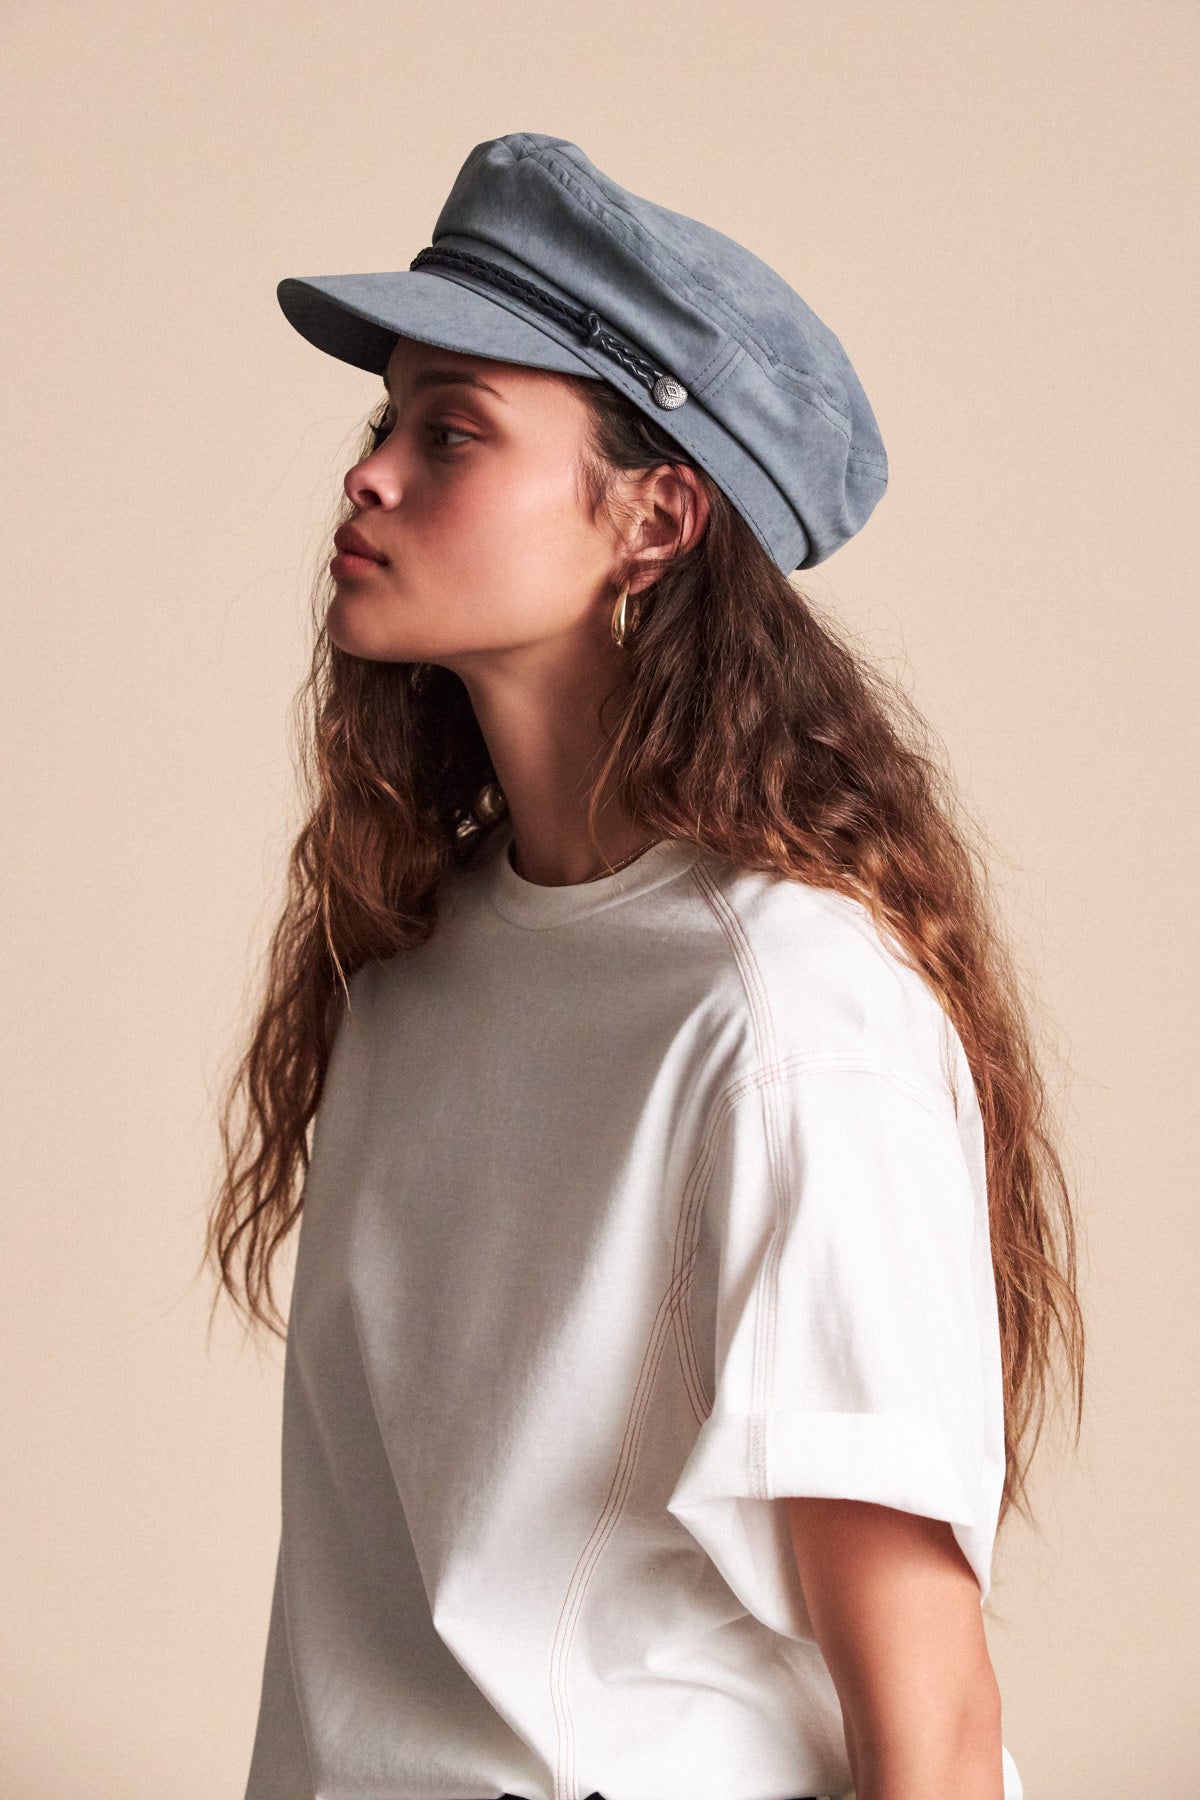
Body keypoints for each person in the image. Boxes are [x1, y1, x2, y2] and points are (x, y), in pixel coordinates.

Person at [205, 132, 1084, 1800]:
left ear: (656, 517)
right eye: (385, 421)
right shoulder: (415, 962)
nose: (369, 476)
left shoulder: (786, 1014)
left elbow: (934, 1722)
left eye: (451, 429)